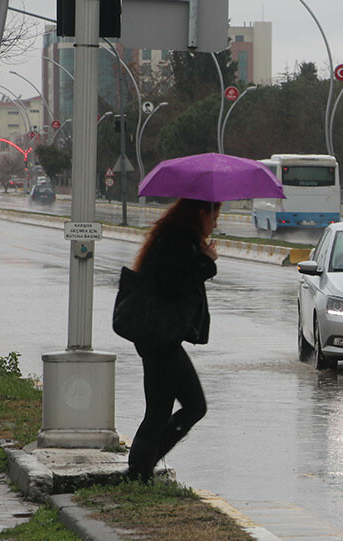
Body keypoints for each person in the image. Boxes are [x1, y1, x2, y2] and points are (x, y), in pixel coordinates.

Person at [126, 198, 221, 483]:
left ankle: (140, 471)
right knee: (178, 408)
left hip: (160, 335)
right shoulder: (176, 241)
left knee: (172, 409)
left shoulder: (178, 238)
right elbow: (175, 283)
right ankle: (139, 472)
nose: (216, 223)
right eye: (215, 216)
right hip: (160, 336)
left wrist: (201, 255)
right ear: (202, 213)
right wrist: (206, 261)